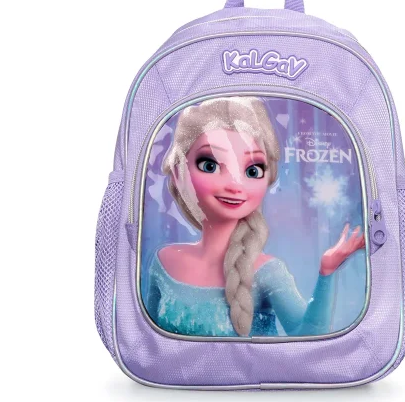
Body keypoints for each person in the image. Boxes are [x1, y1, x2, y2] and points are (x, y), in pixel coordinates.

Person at [145, 97, 364, 337]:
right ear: (178, 173)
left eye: (252, 170)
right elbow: (150, 341)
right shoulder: (164, 262)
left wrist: (327, 272)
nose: (234, 185)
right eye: (210, 165)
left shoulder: (267, 272)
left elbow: (308, 335)